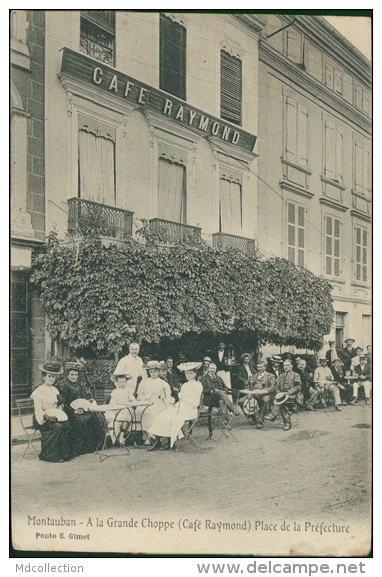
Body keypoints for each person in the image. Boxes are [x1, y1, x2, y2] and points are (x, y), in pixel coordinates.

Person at [147, 362, 203, 450]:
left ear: (195, 374)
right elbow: (180, 401)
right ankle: (157, 442)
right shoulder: (185, 385)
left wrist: (183, 398)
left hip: (190, 410)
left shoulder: (198, 385)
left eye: (190, 373)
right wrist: (175, 405)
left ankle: (170, 443)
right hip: (180, 407)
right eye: (187, 373)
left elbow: (196, 403)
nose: (188, 375)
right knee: (161, 414)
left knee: (170, 417)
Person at [57, 359, 105, 456]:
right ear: (67, 374)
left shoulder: (79, 385)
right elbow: (62, 403)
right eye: (72, 374)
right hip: (69, 412)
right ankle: (79, 448)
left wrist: (89, 401)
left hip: (80, 410)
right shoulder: (64, 386)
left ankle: (91, 446)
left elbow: (83, 399)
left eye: (76, 375)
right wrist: (73, 411)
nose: (74, 377)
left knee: (94, 416)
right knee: (82, 420)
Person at [31, 361, 73, 462]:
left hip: (54, 417)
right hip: (42, 419)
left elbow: (57, 409)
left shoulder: (55, 390)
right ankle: (49, 456)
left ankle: (63, 454)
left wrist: (59, 408)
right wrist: (47, 418)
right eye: (49, 376)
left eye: (53, 377)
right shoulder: (39, 391)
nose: (51, 379)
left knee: (67, 426)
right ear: (44, 377)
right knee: (57, 427)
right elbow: (38, 409)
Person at [135, 361, 175, 441]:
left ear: (158, 372)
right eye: (151, 372)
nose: (153, 373)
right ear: (149, 372)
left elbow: (167, 395)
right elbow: (139, 394)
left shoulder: (162, 383)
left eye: (155, 371)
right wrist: (142, 398)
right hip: (145, 401)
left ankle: (152, 435)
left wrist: (163, 397)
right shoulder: (144, 382)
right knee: (138, 411)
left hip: (157, 402)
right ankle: (143, 434)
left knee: (153, 412)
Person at [264, 359, 302, 431]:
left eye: (288, 365)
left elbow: (298, 387)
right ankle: (287, 423)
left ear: (292, 366)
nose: (286, 367)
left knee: (281, 402)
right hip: (282, 396)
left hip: (293, 396)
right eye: (284, 365)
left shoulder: (296, 375)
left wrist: (288, 392)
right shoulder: (281, 375)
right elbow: (276, 387)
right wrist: (279, 393)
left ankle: (273, 415)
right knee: (281, 402)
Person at [105, 372, 135, 445]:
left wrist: (132, 401)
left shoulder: (128, 390)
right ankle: (114, 436)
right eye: (120, 382)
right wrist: (114, 408)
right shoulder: (115, 392)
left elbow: (132, 399)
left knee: (126, 416)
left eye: (123, 382)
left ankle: (122, 434)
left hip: (126, 408)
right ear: (117, 383)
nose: (122, 384)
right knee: (117, 420)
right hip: (117, 408)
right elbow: (112, 402)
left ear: (126, 382)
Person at [249, 360, 276, 428]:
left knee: (265, 400)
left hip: (265, 394)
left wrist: (263, 391)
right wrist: (250, 386)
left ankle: (259, 421)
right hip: (254, 394)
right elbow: (250, 387)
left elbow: (272, 387)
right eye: (258, 367)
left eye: (261, 367)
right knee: (241, 401)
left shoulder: (270, 376)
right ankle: (253, 417)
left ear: (265, 367)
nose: (260, 369)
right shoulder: (254, 376)